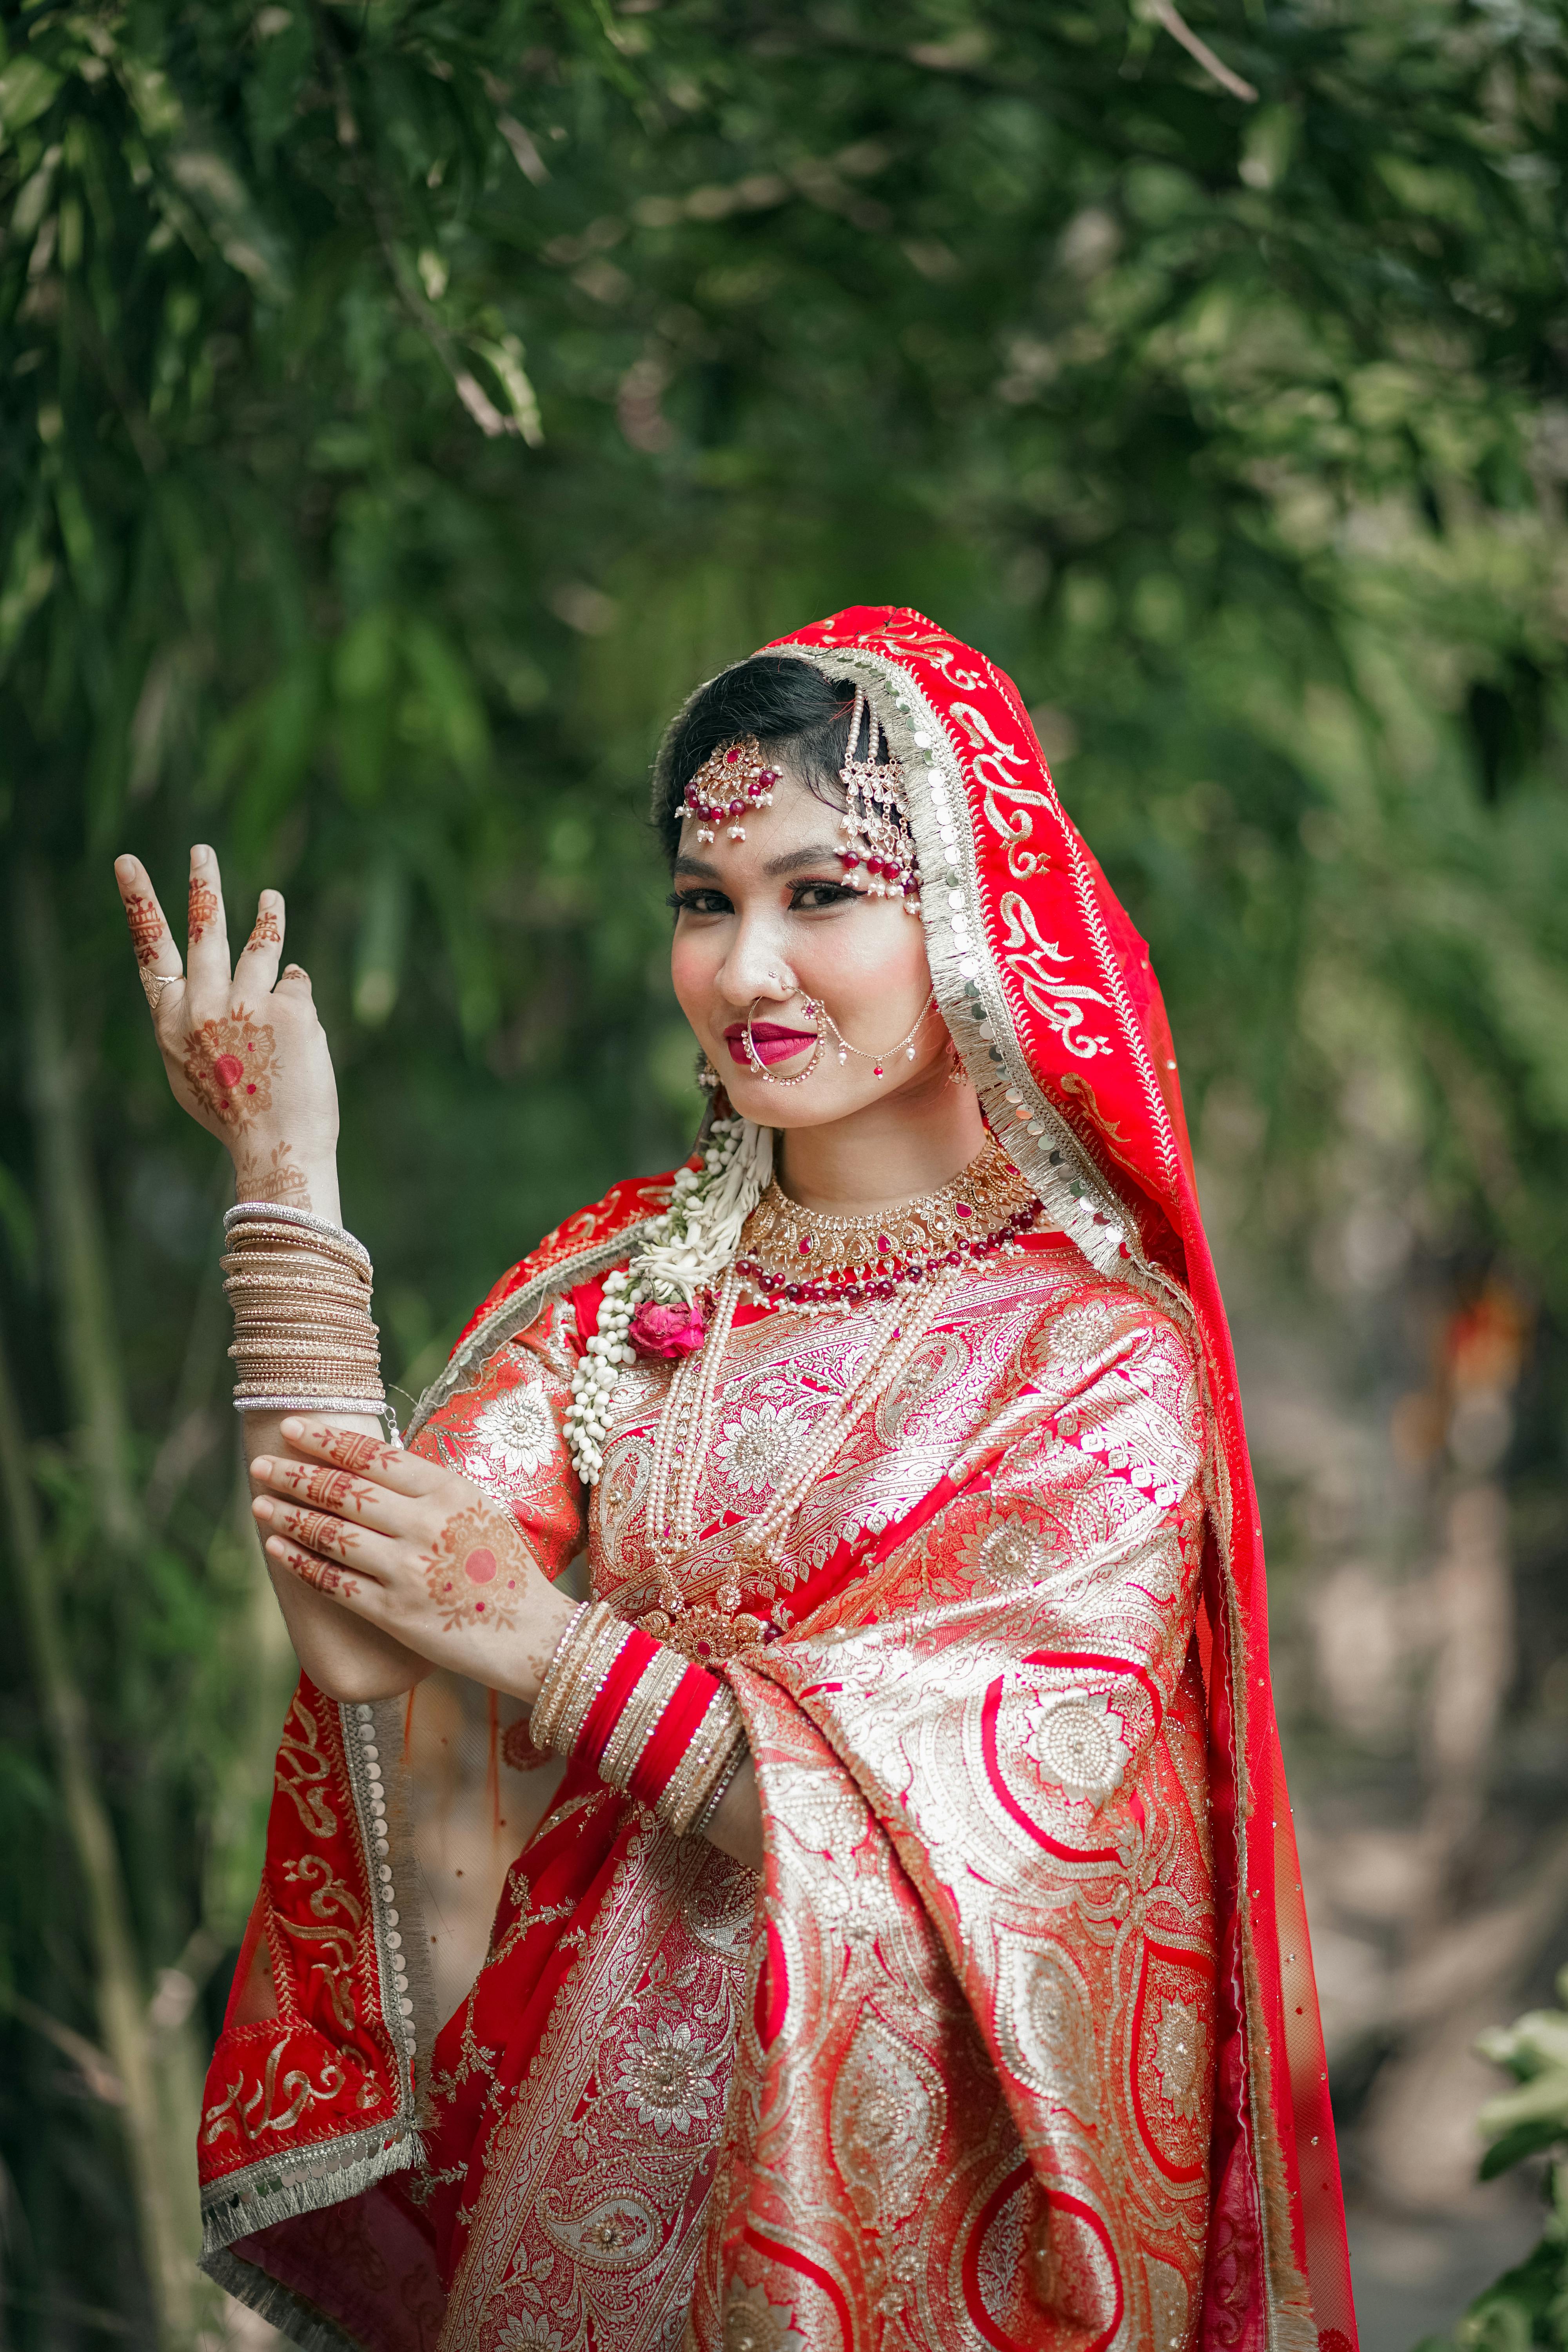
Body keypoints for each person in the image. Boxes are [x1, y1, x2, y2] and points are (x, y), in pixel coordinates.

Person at [115, 606, 1357, 2352]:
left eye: (821, 893)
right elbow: (358, 1635)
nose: (749, 969)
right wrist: (281, 1173)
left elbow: (1002, 1849)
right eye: (708, 903)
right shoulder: (630, 1281)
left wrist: (547, 1654)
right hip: (576, 2167)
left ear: (977, 917)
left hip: (921, 2215)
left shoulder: (1093, 1359)